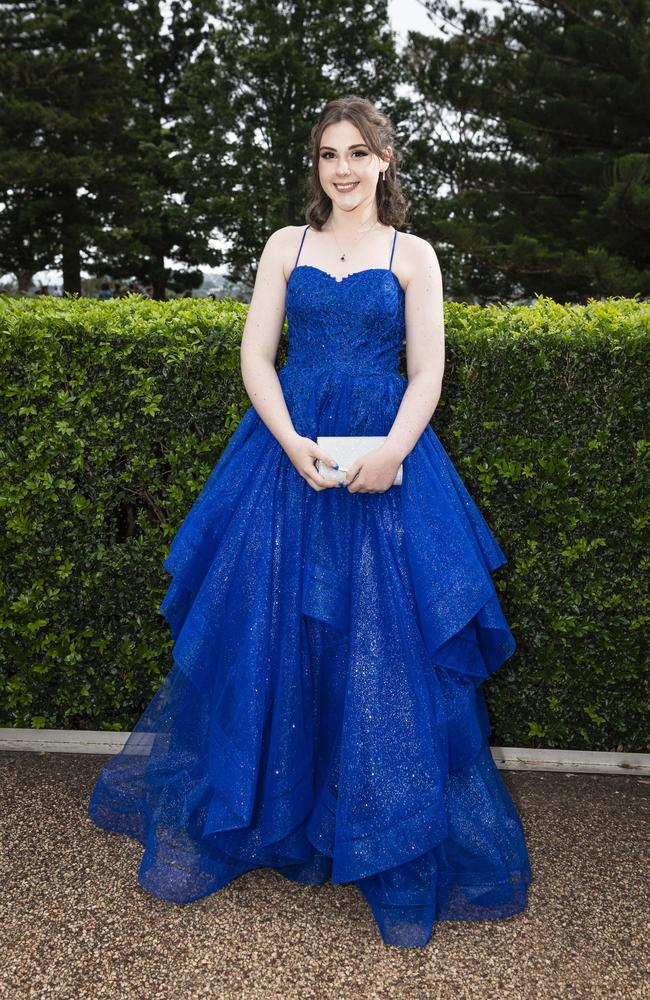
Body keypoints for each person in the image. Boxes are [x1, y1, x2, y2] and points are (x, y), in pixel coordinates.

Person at [87, 95, 532, 947]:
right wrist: (289, 442)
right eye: (330, 155)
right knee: (273, 633)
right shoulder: (284, 246)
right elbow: (257, 354)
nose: (344, 169)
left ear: (386, 161)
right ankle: (279, 819)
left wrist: (394, 451)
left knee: (382, 643)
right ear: (317, 166)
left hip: (385, 467)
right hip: (286, 462)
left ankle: (374, 828)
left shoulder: (415, 254)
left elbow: (427, 370)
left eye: (359, 153)